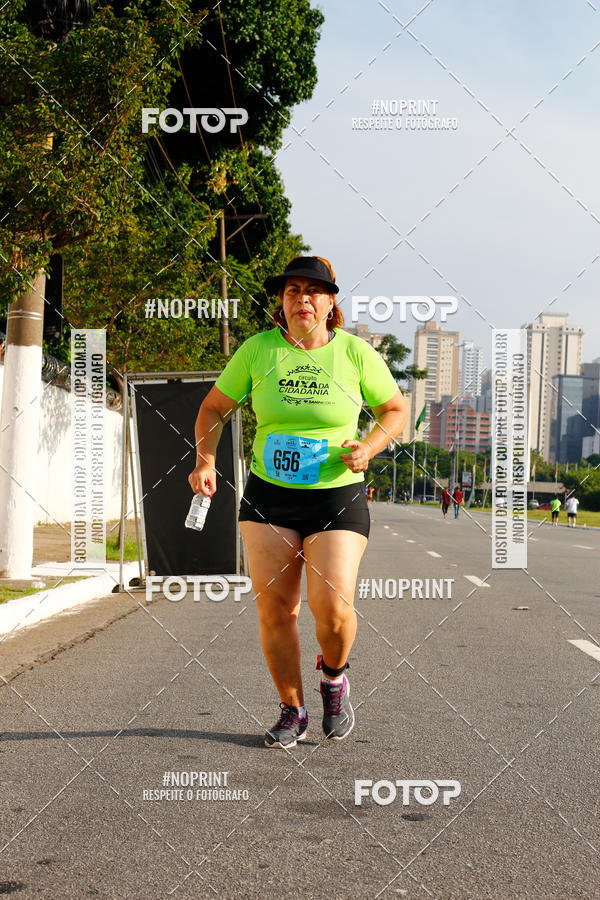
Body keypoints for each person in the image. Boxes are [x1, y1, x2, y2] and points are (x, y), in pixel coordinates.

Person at [188, 256, 408, 749]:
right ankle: (293, 709)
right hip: (268, 495)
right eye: (292, 290)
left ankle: (334, 678)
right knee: (276, 609)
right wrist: (205, 460)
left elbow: (395, 408)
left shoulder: (354, 354)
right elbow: (213, 408)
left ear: (331, 303)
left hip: (336, 494)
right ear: (281, 302)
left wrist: (368, 447)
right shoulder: (257, 351)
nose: (302, 298)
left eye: (314, 291)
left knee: (331, 609)